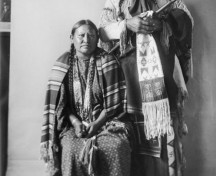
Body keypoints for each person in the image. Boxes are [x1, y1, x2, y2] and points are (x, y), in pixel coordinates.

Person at [99, 0, 193, 176]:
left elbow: (186, 22)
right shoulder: (115, 1)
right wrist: (127, 24)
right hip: (127, 78)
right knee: (130, 138)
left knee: (165, 137)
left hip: (162, 75)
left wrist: (163, 24)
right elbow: (102, 31)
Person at [40, 19, 133, 176]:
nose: (86, 40)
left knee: (116, 147)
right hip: (74, 125)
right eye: (81, 35)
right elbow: (62, 106)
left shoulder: (108, 61)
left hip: (107, 122)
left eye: (91, 36)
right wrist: (76, 123)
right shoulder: (63, 65)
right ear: (72, 38)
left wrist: (96, 124)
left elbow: (113, 104)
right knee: (70, 150)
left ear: (97, 38)